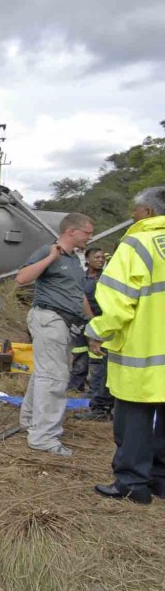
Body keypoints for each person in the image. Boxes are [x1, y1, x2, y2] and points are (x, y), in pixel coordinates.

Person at [86, 187, 165, 504]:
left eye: (134, 210)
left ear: (147, 213)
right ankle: (161, 480)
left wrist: (97, 330)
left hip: (142, 355)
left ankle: (133, 484)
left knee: (134, 420)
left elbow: (118, 303)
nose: (131, 216)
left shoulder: (136, 244)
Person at [15, 212, 95, 456]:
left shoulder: (75, 260)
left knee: (45, 373)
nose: (89, 238)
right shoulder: (49, 251)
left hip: (65, 323)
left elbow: (78, 295)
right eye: (87, 233)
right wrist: (50, 258)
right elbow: (22, 278)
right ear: (72, 231)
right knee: (55, 377)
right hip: (49, 318)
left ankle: (30, 422)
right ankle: (44, 437)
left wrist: (93, 326)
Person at [68, 247, 106, 393]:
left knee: (97, 358)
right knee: (79, 353)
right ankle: (76, 386)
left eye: (103, 258)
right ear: (88, 260)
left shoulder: (105, 278)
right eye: (97, 257)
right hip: (81, 322)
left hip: (98, 322)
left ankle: (96, 390)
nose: (101, 260)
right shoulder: (81, 278)